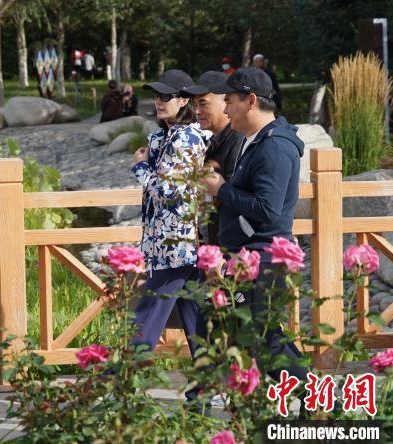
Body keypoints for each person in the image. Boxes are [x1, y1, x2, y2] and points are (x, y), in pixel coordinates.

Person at [203, 67, 309, 383]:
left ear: (251, 101)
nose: (225, 109)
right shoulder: (258, 140)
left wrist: (222, 190)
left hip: (264, 257)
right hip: (251, 257)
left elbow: (268, 208)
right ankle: (312, 398)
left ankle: (318, 399)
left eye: (229, 101)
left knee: (263, 339)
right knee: (259, 336)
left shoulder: (275, 146)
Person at [130, 69, 208, 359]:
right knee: (195, 316)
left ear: (184, 100)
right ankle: (213, 376)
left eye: (166, 96)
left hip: (178, 243)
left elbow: (167, 192)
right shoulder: (163, 136)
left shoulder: (187, 138)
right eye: (156, 96)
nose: (158, 101)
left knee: (148, 312)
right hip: (167, 241)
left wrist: (141, 167)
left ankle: (122, 374)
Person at [183, 71, 243, 245]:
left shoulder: (238, 141)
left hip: (234, 247)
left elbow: (238, 201)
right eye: (195, 105)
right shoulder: (215, 142)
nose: (197, 111)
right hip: (216, 241)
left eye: (203, 103)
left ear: (226, 102)